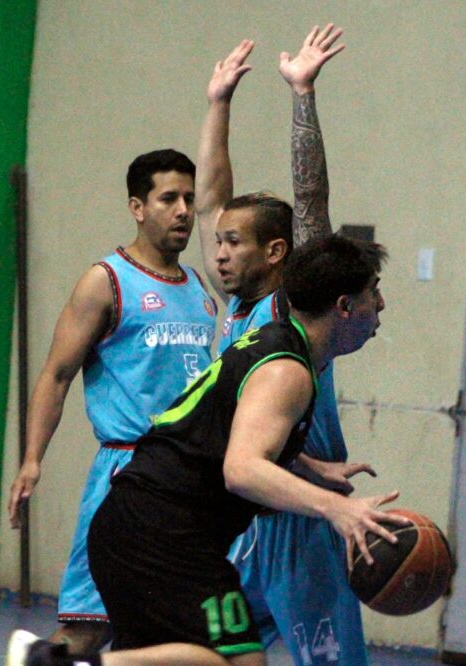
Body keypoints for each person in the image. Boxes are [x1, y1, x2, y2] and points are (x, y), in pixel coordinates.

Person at [9, 233, 404, 666]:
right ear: (344, 306)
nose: (381, 304)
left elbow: (224, 429)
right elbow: (242, 469)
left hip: (141, 523)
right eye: (374, 292)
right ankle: (52, 662)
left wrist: (309, 466)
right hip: (163, 532)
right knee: (233, 662)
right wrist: (337, 508)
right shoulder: (287, 370)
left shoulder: (277, 342)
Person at [195, 27, 375, 664]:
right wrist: (218, 104)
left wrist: (303, 93)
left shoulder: (292, 305)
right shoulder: (234, 309)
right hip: (244, 518)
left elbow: (310, 203)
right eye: (218, 243)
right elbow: (211, 202)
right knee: (204, 654)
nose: (218, 253)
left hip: (301, 519)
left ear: (276, 253)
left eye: (234, 243)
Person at [7, 149, 218, 653]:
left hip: (188, 480)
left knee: (167, 637)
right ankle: (36, 660)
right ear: (137, 207)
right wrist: (33, 459)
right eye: (169, 198)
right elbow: (57, 374)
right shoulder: (106, 282)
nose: (183, 211)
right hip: (128, 475)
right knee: (88, 628)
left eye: (189, 199)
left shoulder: (200, 287)